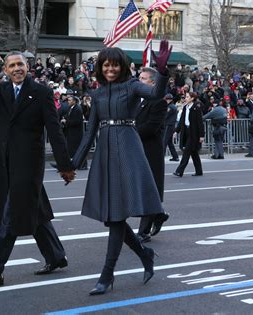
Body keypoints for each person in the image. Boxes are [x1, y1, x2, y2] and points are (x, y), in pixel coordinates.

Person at [70, 40, 172, 295]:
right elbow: (90, 130)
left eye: (115, 64)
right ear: (100, 67)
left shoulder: (132, 85)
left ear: (122, 67)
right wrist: (72, 164)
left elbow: (156, 94)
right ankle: (144, 253)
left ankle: (107, 274)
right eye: (106, 64)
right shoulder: (98, 93)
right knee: (112, 218)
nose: (110, 69)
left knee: (116, 217)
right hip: (105, 151)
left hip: (127, 148)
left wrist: (162, 73)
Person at [0, 51, 75, 289]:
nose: (16, 68)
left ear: (28, 67)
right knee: (35, 211)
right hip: (6, 163)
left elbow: (54, 131)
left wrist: (65, 165)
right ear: (5, 70)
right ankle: (56, 256)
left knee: (12, 217)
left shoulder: (42, 92)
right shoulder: (2, 91)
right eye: (12, 65)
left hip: (29, 164)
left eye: (20, 64)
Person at [135, 67, 170, 243]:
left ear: (153, 83)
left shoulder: (158, 102)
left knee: (149, 190)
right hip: (137, 150)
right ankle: (159, 214)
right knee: (141, 190)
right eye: (139, 77)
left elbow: (151, 127)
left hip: (150, 152)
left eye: (143, 78)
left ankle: (143, 231)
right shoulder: (139, 101)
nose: (139, 81)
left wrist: (128, 131)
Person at [173, 92, 205, 177]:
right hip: (186, 131)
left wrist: (202, 135)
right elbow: (181, 121)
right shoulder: (185, 108)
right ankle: (199, 171)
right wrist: (176, 131)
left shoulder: (196, 108)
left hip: (193, 133)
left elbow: (200, 123)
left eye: (187, 97)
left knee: (186, 151)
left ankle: (179, 171)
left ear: (192, 98)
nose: (185, 98)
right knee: (194, 152)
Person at [163, 93, 179, 162]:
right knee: (169, 142)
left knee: (164, 142)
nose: (166, 100)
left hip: (168, 125)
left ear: (169, 100)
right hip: (171, 125)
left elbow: (165, 116)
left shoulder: (170, 107)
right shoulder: (172, 106)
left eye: (166, 99)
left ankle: (161, 157)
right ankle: (175, 156)